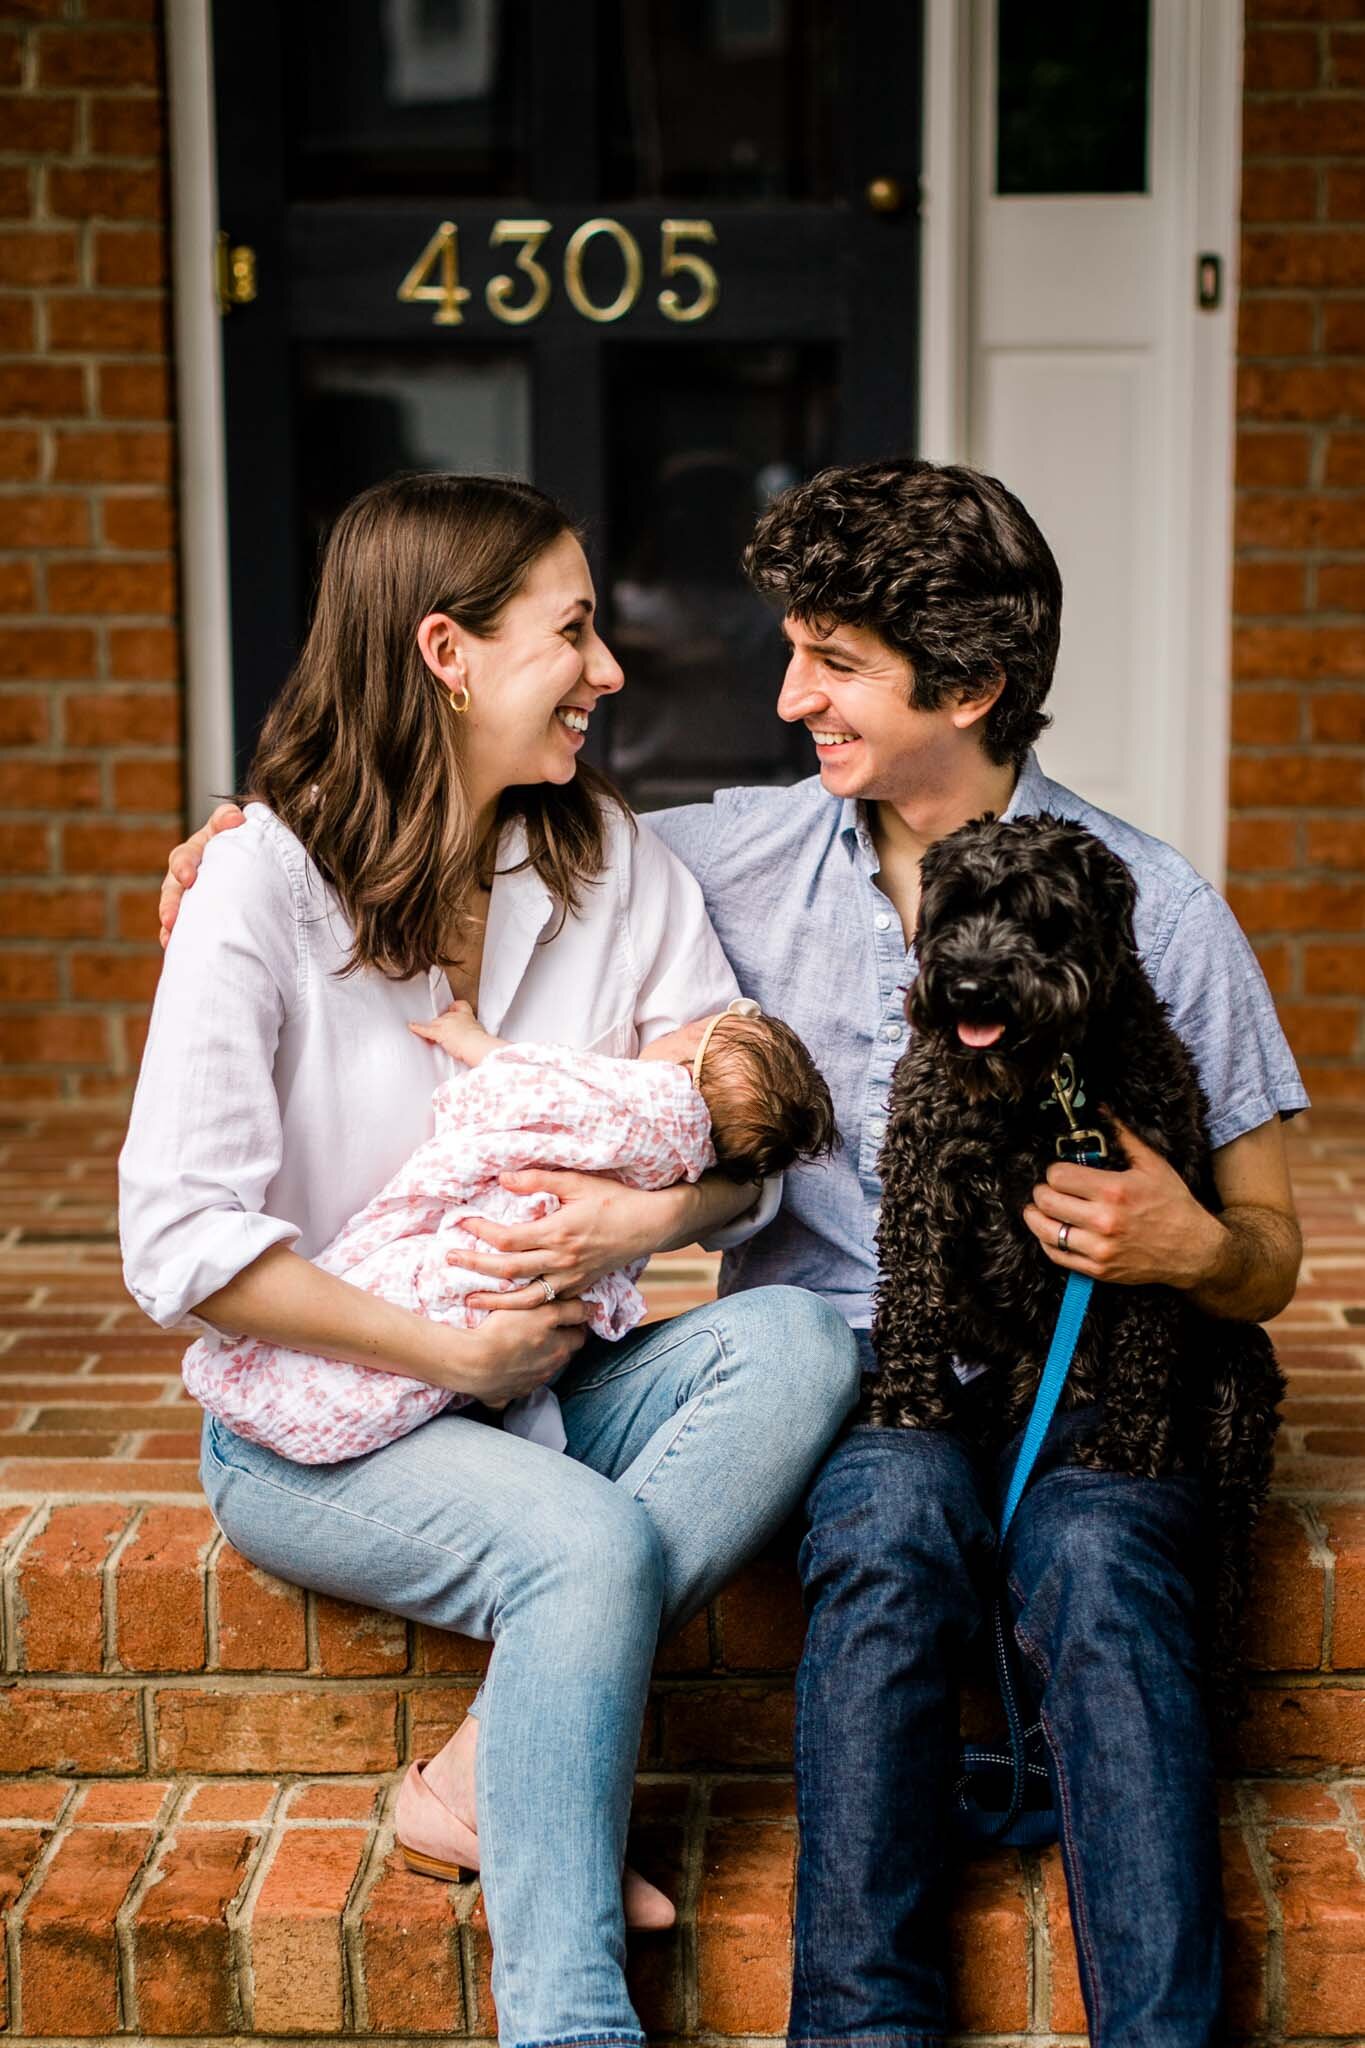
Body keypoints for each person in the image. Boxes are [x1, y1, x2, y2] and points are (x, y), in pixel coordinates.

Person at [161, 459, 1305, 2048]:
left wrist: (1190, 1241)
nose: (787, 699)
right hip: (862, 1367)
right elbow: (459, 806)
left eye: (833, 663)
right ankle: (856, 2029)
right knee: (887, 1532)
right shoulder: (730, 855)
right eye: (794, 650)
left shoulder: (1154, 904)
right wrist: (244, 839)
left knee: (1102, 1566)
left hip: (1090, 1380)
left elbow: (1272, 1253)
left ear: (968, 685)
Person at [123, 471, 861, 2048]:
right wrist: (450, 1354)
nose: (609, 671)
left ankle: (480, 1775)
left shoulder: (613, 863)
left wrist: (635, 1224)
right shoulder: (257, 883)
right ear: (446, 650)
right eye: (573, 631)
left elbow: (732, 1167)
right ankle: (572, 2017)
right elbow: (178, 1242)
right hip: (315, 1424)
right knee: (585, 1550)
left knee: (802, 1343)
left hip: (543, 1381)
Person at [179, 993, 834, 1466]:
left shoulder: (651, 1093)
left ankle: (261, 1384)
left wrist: (469, 1044)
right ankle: (348, 1408)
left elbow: (533, 1083)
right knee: (453, 1338)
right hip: (536, 1293)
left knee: (391, 1289)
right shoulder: (684, 1161)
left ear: (691, 1050)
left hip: (484, 1239)